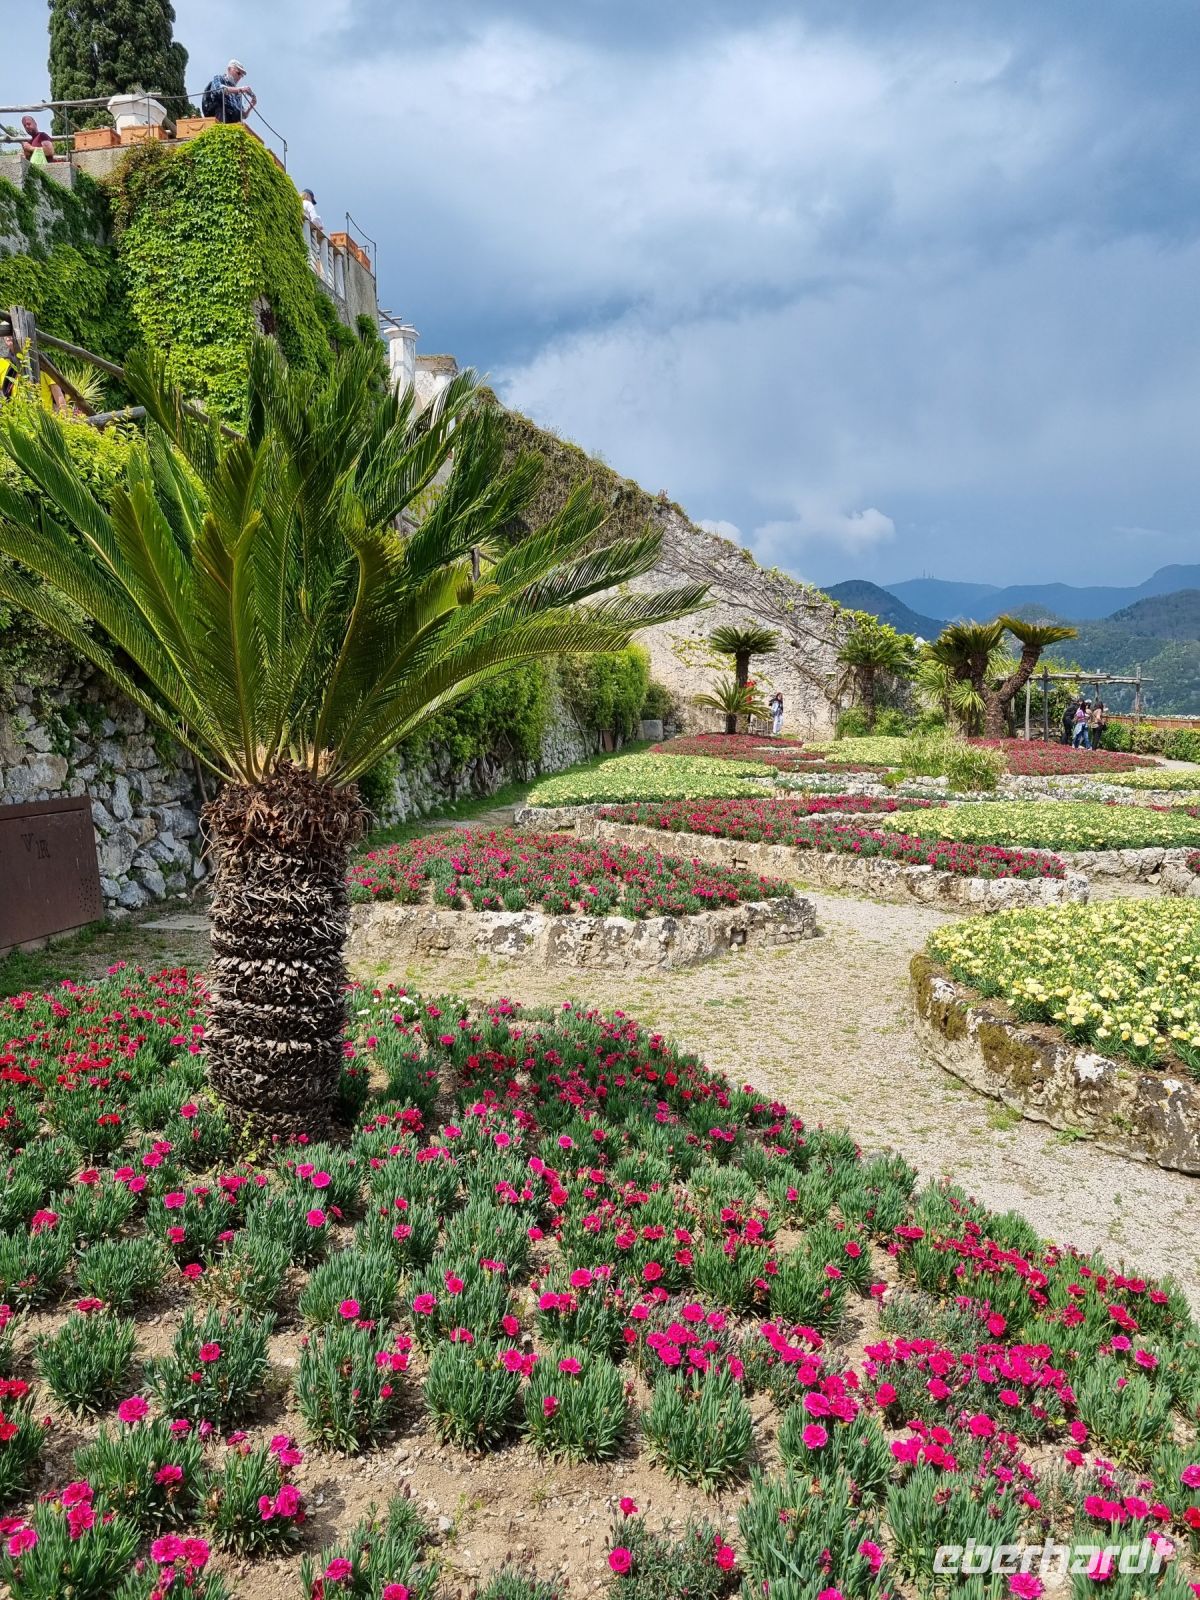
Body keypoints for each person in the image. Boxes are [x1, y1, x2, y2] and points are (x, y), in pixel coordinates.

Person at [202, 60, 257, 124]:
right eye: (238, 73)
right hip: (218, 115)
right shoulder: (219, 78)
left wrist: (251, 106)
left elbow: (243, 115)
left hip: (232, 121)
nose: (239, 77)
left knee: (239, 119)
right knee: (222, 107)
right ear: (229, 69)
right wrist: (240, 89)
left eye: (241, 76)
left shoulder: (237, 94)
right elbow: (218, 89)